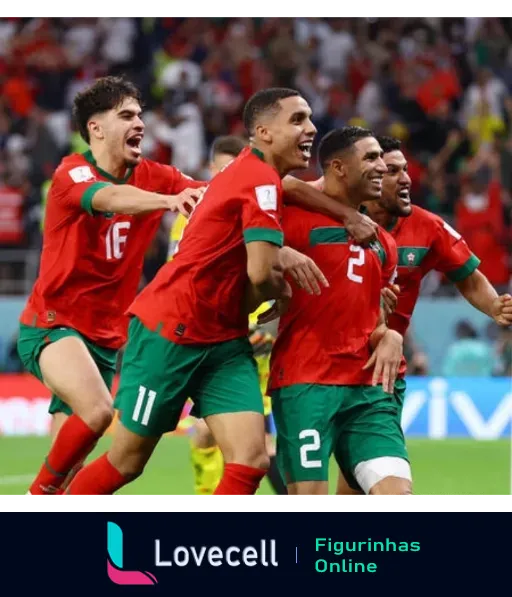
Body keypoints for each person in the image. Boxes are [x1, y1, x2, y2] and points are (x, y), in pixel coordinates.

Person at [64, 87, 329, 497]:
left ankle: (209, 553)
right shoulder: (258, 180)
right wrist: (283, 289)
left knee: (251, 459)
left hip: (222, 339)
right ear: (264, 132)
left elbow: (291, 201)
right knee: (127, 461)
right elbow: (261, 274)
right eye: (297, 120)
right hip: (171, 333)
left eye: (309, 118)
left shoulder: (261, 176)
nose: (310, 128)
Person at [18, 75, 207, 496]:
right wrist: (168, 202)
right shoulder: (71, 173)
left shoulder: (153, 174)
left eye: (140, 114)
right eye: (126, 115)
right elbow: (108, 198)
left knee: (73, 467)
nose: (140, 122)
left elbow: (208, 195)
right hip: (53, 323)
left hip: (104, 337)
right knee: (99, 411)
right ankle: (36, 496)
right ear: (95, 128)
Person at [335, 135, 512, 496]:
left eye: (406, 170)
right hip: (321, 368)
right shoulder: (330, 213)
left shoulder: (427, 227)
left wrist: (495, 306)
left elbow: (468, 276)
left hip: (378, 376)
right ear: (366, 175)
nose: (406, 179)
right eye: (393, 171)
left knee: (381, 491)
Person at [267, 126, 411, 497]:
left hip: (366, 391)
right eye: (371, 158)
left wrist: (390, 335)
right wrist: (277, 253)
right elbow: (253, 190)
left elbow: (372, 319)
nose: (382, 167)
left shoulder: (385, 244)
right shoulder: (287, 215)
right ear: (338, 167)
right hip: (307, 381)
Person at [171, 135, 286, 496]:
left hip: (257, 345)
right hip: (209, 337)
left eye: (231, 169)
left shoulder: (266, 207)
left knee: (258, 445)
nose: (226, 176)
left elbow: (274, 274)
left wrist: (270, 325)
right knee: (207, 435)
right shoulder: (190, 216)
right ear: (210, 170)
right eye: (219, 169)